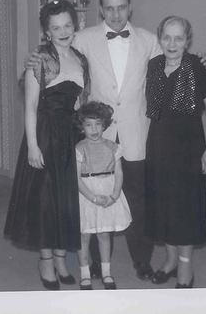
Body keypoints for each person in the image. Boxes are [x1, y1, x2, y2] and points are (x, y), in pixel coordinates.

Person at [27, 0, 206, 281]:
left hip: (137, 135)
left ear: (130, 7)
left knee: (138, 201)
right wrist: (37, 57)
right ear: (101, 10)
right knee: (96, 200)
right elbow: (56, 53)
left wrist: (203, 61)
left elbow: (178, 58)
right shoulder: (83, 39)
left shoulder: (150, 40)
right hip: (95, 136)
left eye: (121, 7)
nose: (116, 14)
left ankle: (142, 261)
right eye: (109, 8)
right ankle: (101, 266)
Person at [4, 0, 90, 291]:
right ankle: (45, 261)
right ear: (47, 32)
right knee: (45, 199)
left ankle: (61, 258)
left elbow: (80, 101)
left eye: (67, 25)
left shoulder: (81, 59)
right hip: (43, 134)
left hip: (70, 134)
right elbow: (30, 106)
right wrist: (32, 146)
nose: (63, 31)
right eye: (56, 27)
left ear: (74, 26)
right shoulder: (39, 59)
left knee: (66, 199)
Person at [144, 16, 206, 289]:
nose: (172, 43)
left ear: (187, 40)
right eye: (167, 37)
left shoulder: (199, 67)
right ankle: (170, 261)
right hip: (158, 146)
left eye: (178, 38)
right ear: (159, 38)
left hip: (189, 148)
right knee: (164, 206)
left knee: (185, 208)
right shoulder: (153, 66)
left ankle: (185, 267)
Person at [75, 101, 132, 291]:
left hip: (108, 192)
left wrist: (114, 196)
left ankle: (106, 272)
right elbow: (77, 179)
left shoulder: (113, 147)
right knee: (84, 236)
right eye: (89, 125)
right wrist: (92, 197)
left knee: (104, 234)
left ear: (105, 125)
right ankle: (85, 275)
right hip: (87, 195)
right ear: (81, 127)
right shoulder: (79, 148)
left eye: (98, 124)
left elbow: (119, 173)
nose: (94, 129)